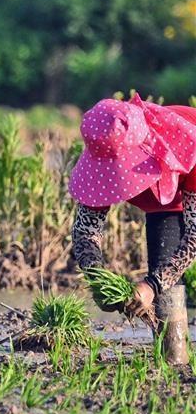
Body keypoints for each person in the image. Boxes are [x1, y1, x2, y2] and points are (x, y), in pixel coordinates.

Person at [70, 94, 195, 366]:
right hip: (162, 201)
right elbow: (85, 231)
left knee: (162, 281)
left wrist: (151, 285)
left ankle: (177, 360)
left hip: (186, 175)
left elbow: (194, 236)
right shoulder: (106, 142)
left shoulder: (187, 141)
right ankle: (173, 360)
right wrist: (97, 277)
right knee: (163, 269)